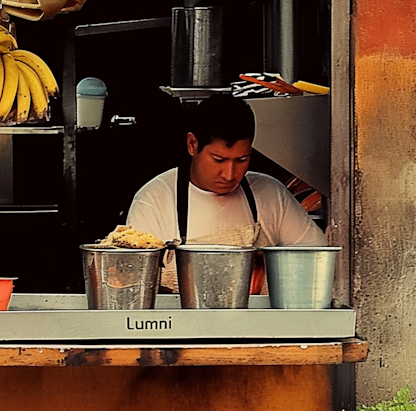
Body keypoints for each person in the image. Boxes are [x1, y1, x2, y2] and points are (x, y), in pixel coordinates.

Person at [126, 95, 324, 291]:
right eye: (219, 160)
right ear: (192, 144)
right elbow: (134, 283)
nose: (230, 174)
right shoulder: (154, 201)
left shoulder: (270, 195)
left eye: (242, 159)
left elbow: (318, 261)